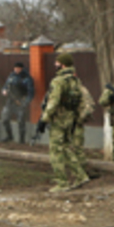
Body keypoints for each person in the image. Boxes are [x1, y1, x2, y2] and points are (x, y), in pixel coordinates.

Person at [35, 53, 91, 192]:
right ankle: (80, 175)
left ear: (63, 64)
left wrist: (44, 119)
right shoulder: (75, 80)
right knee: (65, 147)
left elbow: (53, 102)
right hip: (70, 118)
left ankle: (62, 182)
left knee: (55, 150)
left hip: (59, 119)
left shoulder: (58, 81)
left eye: (57, 63)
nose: (55, 65)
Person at [0, 62, 35, 143]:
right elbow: (5, 86)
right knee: (5, 118)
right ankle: (9, 136)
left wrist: (25, 103)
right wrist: (4, 90)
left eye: (18, 68)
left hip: (20, 101)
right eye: (15, 68)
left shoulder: (27, 78)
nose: (16, 70)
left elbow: (30, 93)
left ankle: (21, 139)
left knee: (20, 121)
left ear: (21, 69)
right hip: (10, 101)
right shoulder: (11, 76)